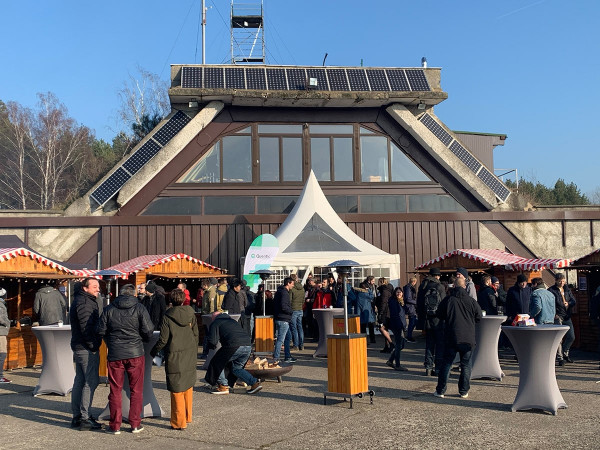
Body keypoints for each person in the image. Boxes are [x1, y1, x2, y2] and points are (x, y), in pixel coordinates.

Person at [97, 284, 154, 434]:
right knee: (136, 390)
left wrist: (110, 342)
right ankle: (135, 423)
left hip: (116, 353)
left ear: (120, 294)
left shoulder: (109, 309)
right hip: (135, 352)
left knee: (115, 389)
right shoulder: (140, 308)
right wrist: (142, 340)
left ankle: (115, 425)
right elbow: (148, 330)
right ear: (133, 294)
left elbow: (100, 330)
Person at [151, 289, 198, 430]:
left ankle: (179, 422)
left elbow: (163, 339)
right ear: (184, 299)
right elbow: (195, 334)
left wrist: (153, 351)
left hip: (174, 353)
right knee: (188, 384)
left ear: (170, 300)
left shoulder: (167, 316)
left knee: (176, 387)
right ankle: (187, 416)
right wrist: (193, 348)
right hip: (189, 351)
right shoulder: (191, 313)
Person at [434, 277, 482, 399]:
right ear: (465, 286)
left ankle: (441, 390)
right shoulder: (471, 301)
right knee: (466, 365)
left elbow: (439, 314)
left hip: (452, 336)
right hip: (468, 337)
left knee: (447, 363)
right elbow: (479, 317)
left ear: (454, 286)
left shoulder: (448, 300)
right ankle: (463, 391)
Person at [70, 278, 102, 430]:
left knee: (81, 380)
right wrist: (93, 345)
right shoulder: (84, 303)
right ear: (85, 288)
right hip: (85, 348)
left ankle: (78, 416)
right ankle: (84, 417)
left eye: (98, 286)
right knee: (90, 381)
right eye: (94, 286)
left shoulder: (83, 300)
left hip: (80, 346)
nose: (98, 289)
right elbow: (86, 328)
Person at [204, 311, 263, 395]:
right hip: (248, 345)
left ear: (214, 318)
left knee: (216, 363)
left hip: (234, 346)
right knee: (237, 368)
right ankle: (254, 383)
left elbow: (212, 341)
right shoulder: (233, 321)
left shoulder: (216, 322)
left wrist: (209, 348)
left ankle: (223, 386)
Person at [417, 267, 445, 376]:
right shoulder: (439, 286)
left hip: (426, 320)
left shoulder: (422, 286)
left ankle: (428, 367)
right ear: (437, 276)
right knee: (439, 345)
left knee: (429, 344)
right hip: (438, 320)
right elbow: (443, 303)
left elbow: (419, 304)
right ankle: (438, 368)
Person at [548, 273, 576, 365]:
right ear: (556, 280)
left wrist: (569, 303)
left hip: (567, 315)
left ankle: (565, 353)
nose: (562, 283)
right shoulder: (551, 290)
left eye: (563, 281)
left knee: (571, 336)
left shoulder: (567, 289)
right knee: (559, 338)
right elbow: (550, 304)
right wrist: (554, 313)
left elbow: (573, 300)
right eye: (560, 281)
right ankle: (560, 358)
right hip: (558, 316)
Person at [273, 277, 296, 364]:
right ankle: (276, 357)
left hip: (280, 317)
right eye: (292, 284)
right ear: (288, 283)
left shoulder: (279, 292)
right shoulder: (284, 293)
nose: (293, 286)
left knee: (288, 337)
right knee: (281, 339)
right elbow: (284, 306)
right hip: (283, 318)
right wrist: (291, 311)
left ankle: (287, 356)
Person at [386, 287, 408, 371]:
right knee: (399, 344)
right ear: (395, 293)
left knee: (401, 344)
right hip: (396, 325)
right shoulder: (393, 301)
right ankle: (397, 364)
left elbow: (404, 312)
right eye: (397, 292)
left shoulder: (401, 301)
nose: (399, 294)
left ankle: (391, 360)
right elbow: (396, 314)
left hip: (401, 324)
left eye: (400, 292)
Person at [376, 277, 395, 353]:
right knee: (385, 328)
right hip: (387, 311)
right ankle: (387, 346)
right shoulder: (386, 289)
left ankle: (391, 343)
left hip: (385, 312)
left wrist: (380, 313)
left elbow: (384, 302)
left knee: (382, 328)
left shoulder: (384, 290)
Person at [289, 274, 305, 350]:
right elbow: (303, 300)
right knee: (300, 327)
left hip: (293, 309)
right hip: (300, 309)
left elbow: (289, 300)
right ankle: (301, 345)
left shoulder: (292, 289)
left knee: (294, 328)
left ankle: (296, 345)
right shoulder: (302, 288)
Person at [0, 287, 10, 383]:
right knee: (2, 354)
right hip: (1, 332)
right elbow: (1, 317)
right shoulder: (0, 304)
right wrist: (7, 323)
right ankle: (0, 376)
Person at [403, 276, 418, 342]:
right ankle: (409, 336)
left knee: (413, 321)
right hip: (410, 306)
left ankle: (409, 335)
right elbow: (408, 298)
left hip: (411, 306)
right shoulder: (409, 288)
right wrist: (416, 302)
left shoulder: (408, 287)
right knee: (412, 321)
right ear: (414, 282)